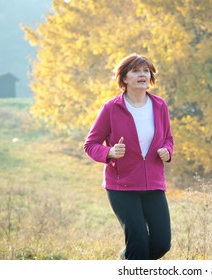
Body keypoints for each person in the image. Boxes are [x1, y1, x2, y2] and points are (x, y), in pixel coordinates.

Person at [84, 53, 174, 260]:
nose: (142, 74)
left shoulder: (159, 106)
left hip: (153, 184)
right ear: (124, 78)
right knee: (139, 242)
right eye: (135, 71)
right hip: (121, 186)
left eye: (146, 70)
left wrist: (167, 151)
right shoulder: (111, 108)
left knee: (161, 243)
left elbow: (168, 138)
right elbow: (90, 145)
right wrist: (109, 152)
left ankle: (128, 259)